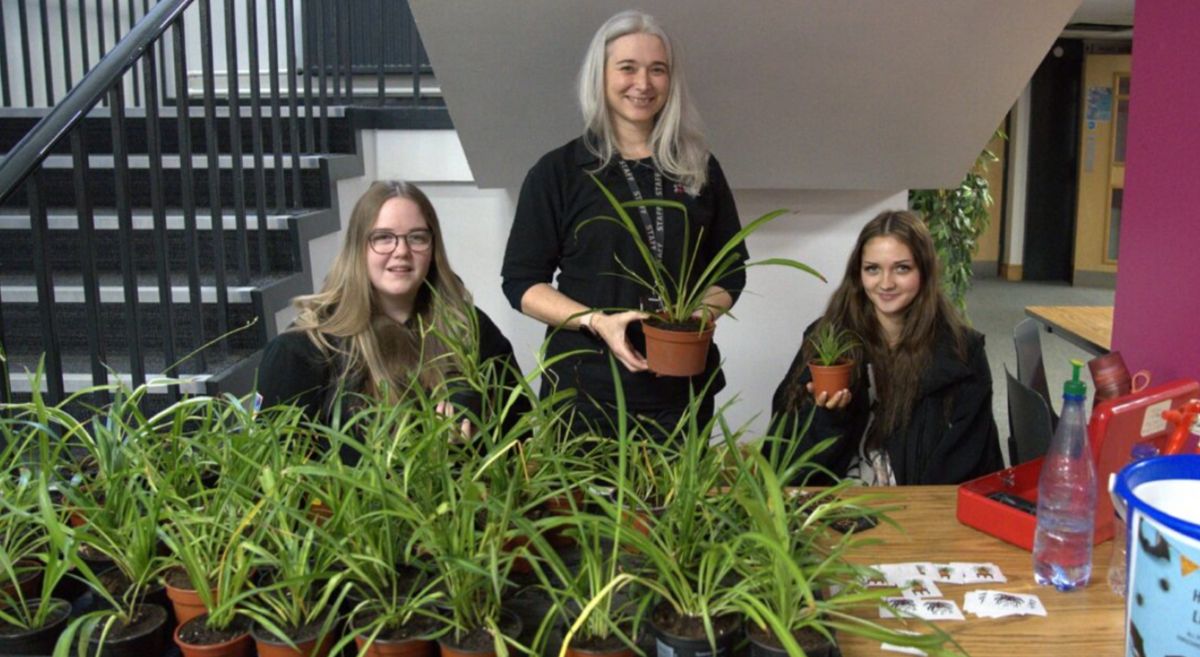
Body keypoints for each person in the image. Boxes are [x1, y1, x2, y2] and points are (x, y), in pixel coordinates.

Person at [501, 10, 746, 437]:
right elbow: (522, 283)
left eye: (658, 70)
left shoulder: (698, 169)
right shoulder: (559, 172)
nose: (643, 83)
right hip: (584, 392)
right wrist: (597, 321)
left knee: (675, 506)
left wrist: (695, 316)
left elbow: (731, 270)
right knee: (584, 506)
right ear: (600, 76)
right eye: (627, 68)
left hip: (680, 391)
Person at [257, 180, 524, 446]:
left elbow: (521, 443)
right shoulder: (305, 348)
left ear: (433, 249)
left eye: (417, 237)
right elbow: (271, 468)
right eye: (383, 237)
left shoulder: (470, 330)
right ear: (358, 248)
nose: (402, 251)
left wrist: (476, 441)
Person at [770, 210, 1002, 485]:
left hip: (917, 512)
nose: (886, 283)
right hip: (834, 506)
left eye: (902, 268)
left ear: (924, 272)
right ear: (859, 275)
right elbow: (785, 465)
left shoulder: (963, 352)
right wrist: (828, 418)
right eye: (873, 269)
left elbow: (970, 463)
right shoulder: (825, 340)